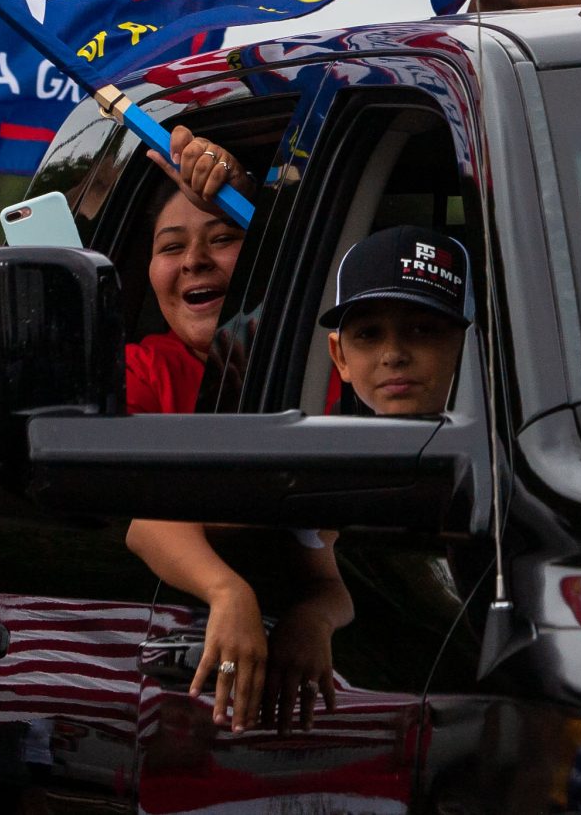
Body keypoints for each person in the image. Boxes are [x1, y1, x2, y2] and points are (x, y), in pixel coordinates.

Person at [123, 128, 351, 733]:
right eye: (171, 247)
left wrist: (315, 616)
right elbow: (135, 502)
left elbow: (326, 560)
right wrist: (226, 591)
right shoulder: (135, 371)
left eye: (224, 238)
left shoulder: (341, 368)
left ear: (269, 259)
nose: (195, 260)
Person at [317, 225, 476, 415]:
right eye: (368, 334)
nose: (393, 355)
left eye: (422, 330)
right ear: (340, 357)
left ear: (470, 346)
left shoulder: (505, 439)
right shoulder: (330, 441)